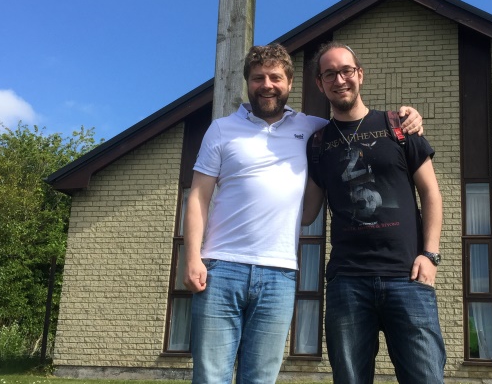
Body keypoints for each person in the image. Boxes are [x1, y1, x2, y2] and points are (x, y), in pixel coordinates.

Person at [182, 43, 422, 384]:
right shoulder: (221, 130)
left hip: (280, 274)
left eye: (275, 77)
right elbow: (198, 197)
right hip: (220, 268)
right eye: (258, 78)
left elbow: (355, 119)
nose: (267, 84)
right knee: (210, 377)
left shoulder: (313, 129)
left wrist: (408, 116)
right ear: (247, 83)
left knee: (261, 378)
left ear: (290, 83)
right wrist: (192, 258)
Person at [304, 42, 446, 384]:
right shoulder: (317, 143)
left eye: (346, 71)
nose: (340, 79)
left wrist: (430, 254)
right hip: (347, 282)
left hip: (408, 278)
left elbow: (431, 194)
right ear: (320, 85)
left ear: (360, 75)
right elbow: (307, 211)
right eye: (329, 74)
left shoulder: (398, 125)